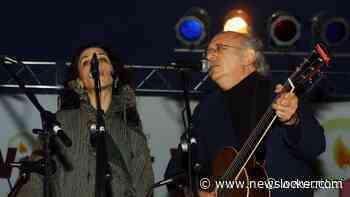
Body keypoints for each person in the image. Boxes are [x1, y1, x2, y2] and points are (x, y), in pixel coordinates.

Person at [164, 31, 326, 197]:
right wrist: (197, 191)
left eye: (218, 49)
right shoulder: (206, 108)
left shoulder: (282, 93)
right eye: (207, 52)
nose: (209, 57)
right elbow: (177, 170)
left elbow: (315, 146)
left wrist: (292, 121)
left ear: (248, 57)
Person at [16, 43, 154, 197]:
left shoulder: (132, 132)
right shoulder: (60, 121)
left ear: (113, 74)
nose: (95, 62)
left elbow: (144, 188)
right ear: (79, 82)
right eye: (86, 62)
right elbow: (34, 179)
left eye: (102, 59)